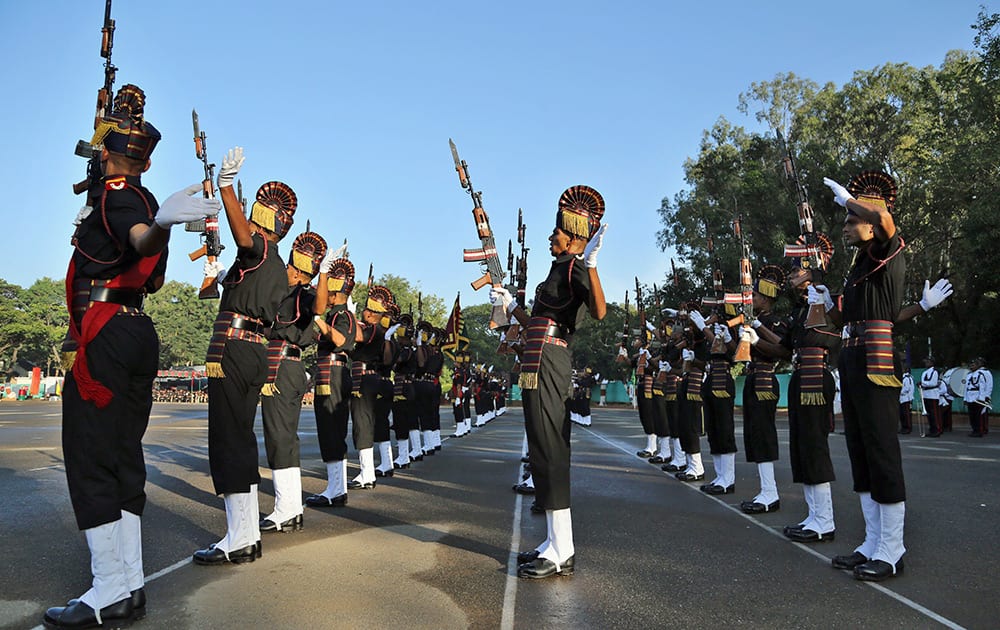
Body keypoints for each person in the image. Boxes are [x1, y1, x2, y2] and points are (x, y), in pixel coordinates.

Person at [45, 85, 220, 628]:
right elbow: (154, 268)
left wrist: (162, 225)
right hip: (136, 328)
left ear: (110, 154)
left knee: (91, 454)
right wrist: (159, 221)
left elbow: (142, 241)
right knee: (123, 455)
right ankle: (130, 583)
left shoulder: (123, 196)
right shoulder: (139, 196)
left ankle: (107, 590)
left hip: (108, 334)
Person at [491, 185, 606, 579]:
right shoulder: (557, 269)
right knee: (540, 446)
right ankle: (553, 541)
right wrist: (512, 307)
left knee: (552, 445)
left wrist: (590, 265)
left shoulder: (574, 267)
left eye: (555, 233)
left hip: (550, 361)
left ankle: (563, 547)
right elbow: (538, 322)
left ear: (573, 235)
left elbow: (599, 311)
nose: (549, 237)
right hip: (536, 359)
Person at [193, 150, 297, 565]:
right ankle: (247, 533)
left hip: (234, 350)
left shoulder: (259, 250)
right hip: (253, 351)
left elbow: (243, 237)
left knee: (229, 440)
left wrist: (224, 187)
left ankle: (239, 537)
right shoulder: (272, 263)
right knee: (240, 437)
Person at [821, 171, 907, 581]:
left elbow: (887, 222)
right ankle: (873, 541)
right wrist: (824, 303)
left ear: (870, 221)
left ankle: (893, 548)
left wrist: (848, 199)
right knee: (859, 449)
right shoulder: (857, 267)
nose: (845, 227)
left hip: (877, 359)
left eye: (850, 220)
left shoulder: (885, 247)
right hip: (853, 359)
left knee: (881, 449)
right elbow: (841, 320)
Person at [258, 230, 327, 533]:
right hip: (277, 363)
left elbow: (320, 306)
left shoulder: (306, 293)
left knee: (281, 436)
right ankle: (290, 506)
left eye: (289, 267)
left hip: (285, 365)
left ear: (299, 271)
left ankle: (286, 508)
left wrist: (322, 273)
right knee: (279, 435)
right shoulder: (281, 292)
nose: (284, 270)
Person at [306, 254, 357, 506]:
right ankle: (336, 487)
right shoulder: (339, 314)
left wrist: (318, 321)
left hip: (334, 375)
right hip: (332, 374)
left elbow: (339, 341)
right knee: (332, 430)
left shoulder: (342, 315)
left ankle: (336, 490)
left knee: (331, 430)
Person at [736, 265, 787, 514]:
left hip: (766, 379)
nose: (751, 299)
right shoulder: (753, 320)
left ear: (766, 298)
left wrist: (757, 335)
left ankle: (770, 492)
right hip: (753, 378)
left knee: (764, 434)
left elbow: (781, 350)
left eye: (755, 296)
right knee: (755, 435)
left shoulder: (774, 322)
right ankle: (765, 490)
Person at [349, 284, 398, 488]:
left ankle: (367, 473)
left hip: (365, 379)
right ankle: (378, 467)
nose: (363, 312)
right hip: (372, 380)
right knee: (374, 424)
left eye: (366, 310)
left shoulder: (375, 331)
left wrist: (349, 316)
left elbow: (357, 337)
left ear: (372, 314)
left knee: (363, 425)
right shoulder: (382, 333)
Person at [964, 357, 993, 437]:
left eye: (978, 362)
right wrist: (965, 398)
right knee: (973, 415)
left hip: (980, 397)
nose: (973, 365)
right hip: (971, 396)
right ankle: (976, 429)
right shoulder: (971, 374)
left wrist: (986, 396)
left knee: (980, 414)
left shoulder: (985, 372)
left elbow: (988, 385)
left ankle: (982, 429)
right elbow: (966, 387)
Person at [919, 356, 942, 437]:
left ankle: (937, 429)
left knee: (934, 414)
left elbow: (933, 382)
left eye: (928, 361)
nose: (926, 363)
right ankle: (932, 429)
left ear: (932, 362)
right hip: (926, 394)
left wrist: (923, 383)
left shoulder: (934, 371)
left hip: (933, 395)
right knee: (929, 414)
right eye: (925, 362)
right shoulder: (924, 372)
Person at [899, 363, 914, 435]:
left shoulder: (907, 378)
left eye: (902, 368)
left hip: (906, 398)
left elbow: (906, 388)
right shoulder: (902, 377)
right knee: (902, 414)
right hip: (901, 399)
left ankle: (908, 428)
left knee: (906, 414)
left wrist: (899, 391)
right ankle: (903, 427)